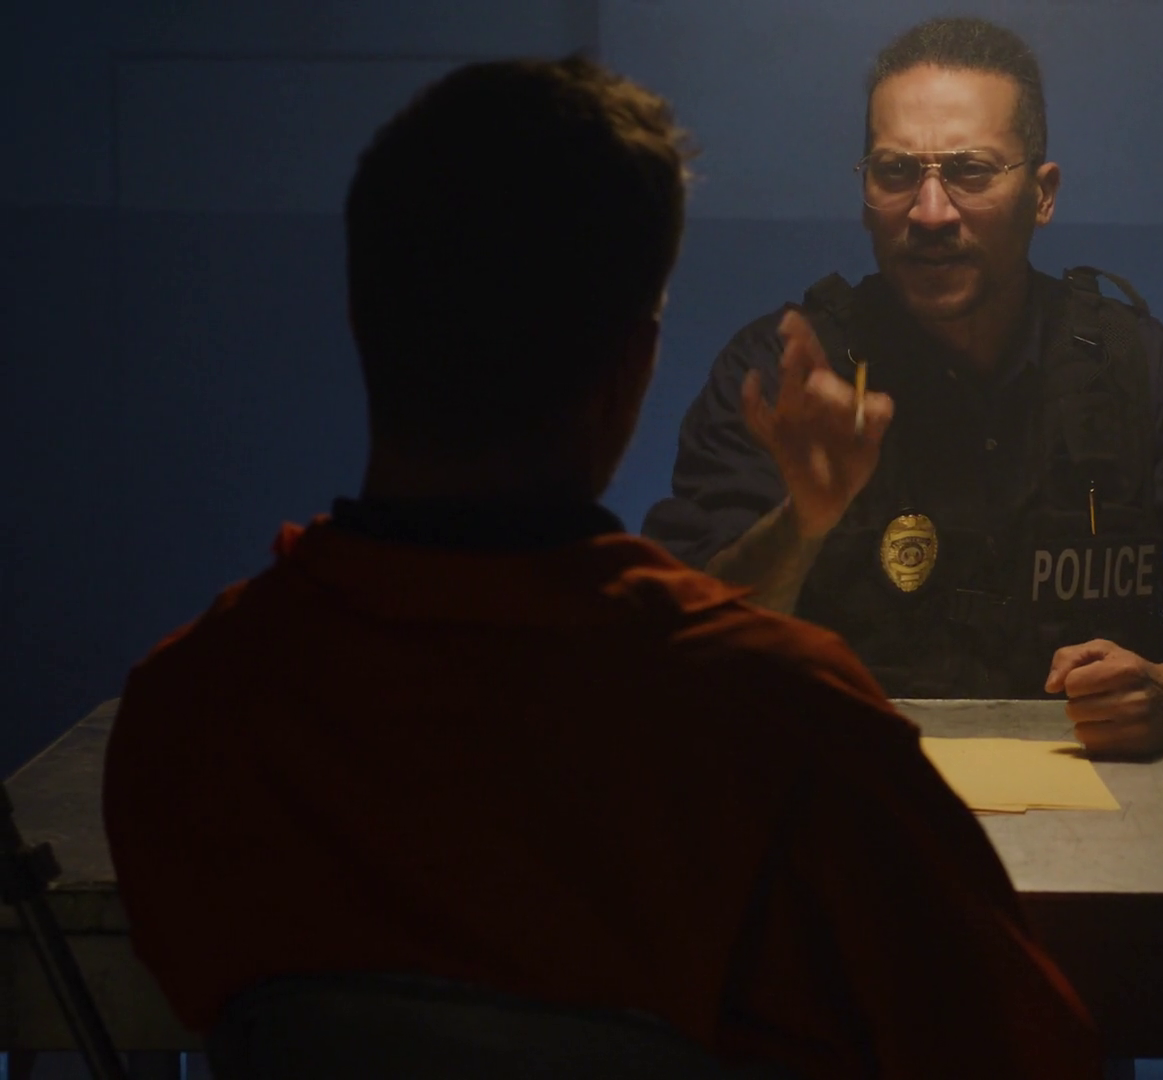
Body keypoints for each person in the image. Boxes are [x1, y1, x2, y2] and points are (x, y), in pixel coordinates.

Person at [100, 57, 1102, 1080]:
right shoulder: (798, 727)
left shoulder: (191, 707)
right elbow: (1029, 1056)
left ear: (362, 319)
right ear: (636, 364)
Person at [643, 16, 1163, 758]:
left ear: (1042, 195)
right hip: (841, 789)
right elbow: (674, 646)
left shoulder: (1142, 372)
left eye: (970, 172)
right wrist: (801, 521)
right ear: (864, 194)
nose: (930, 212)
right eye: (896, 172)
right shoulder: (791, 378)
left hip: (1104, 801)